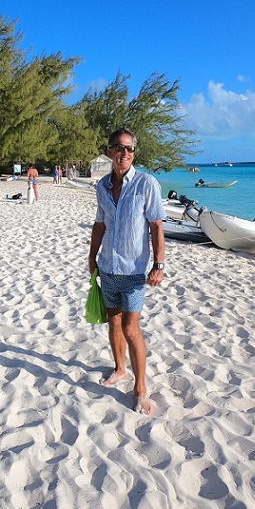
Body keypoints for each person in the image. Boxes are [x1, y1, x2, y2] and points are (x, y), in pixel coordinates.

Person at [87, 128, 165, 415]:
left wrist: (159, 264)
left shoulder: (147, 184)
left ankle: (140, 389)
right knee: (114, 322)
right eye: (119, 148)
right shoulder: (102, 187)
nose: (125, 153)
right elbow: (99, 224)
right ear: (110, 151)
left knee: (132, 328)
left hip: (134, 271)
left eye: (130, 149)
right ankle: (120, 369)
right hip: (108, 266)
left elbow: (156, 226)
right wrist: (92, 256)